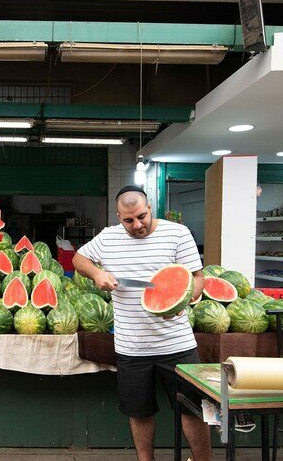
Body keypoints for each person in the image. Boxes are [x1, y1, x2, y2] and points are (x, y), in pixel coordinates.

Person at [73, 185, 211, 461]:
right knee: (139, 412)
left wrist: (182, 301)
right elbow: (78, 258)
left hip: (177, 343)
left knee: (193, 409)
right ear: (118, 216)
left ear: (150, 209)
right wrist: (96, 273)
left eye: (141, 217)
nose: (137, 225)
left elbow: (197, 278)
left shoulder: (177, 233)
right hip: (131, 347)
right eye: (129, 220)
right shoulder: (108, 237)